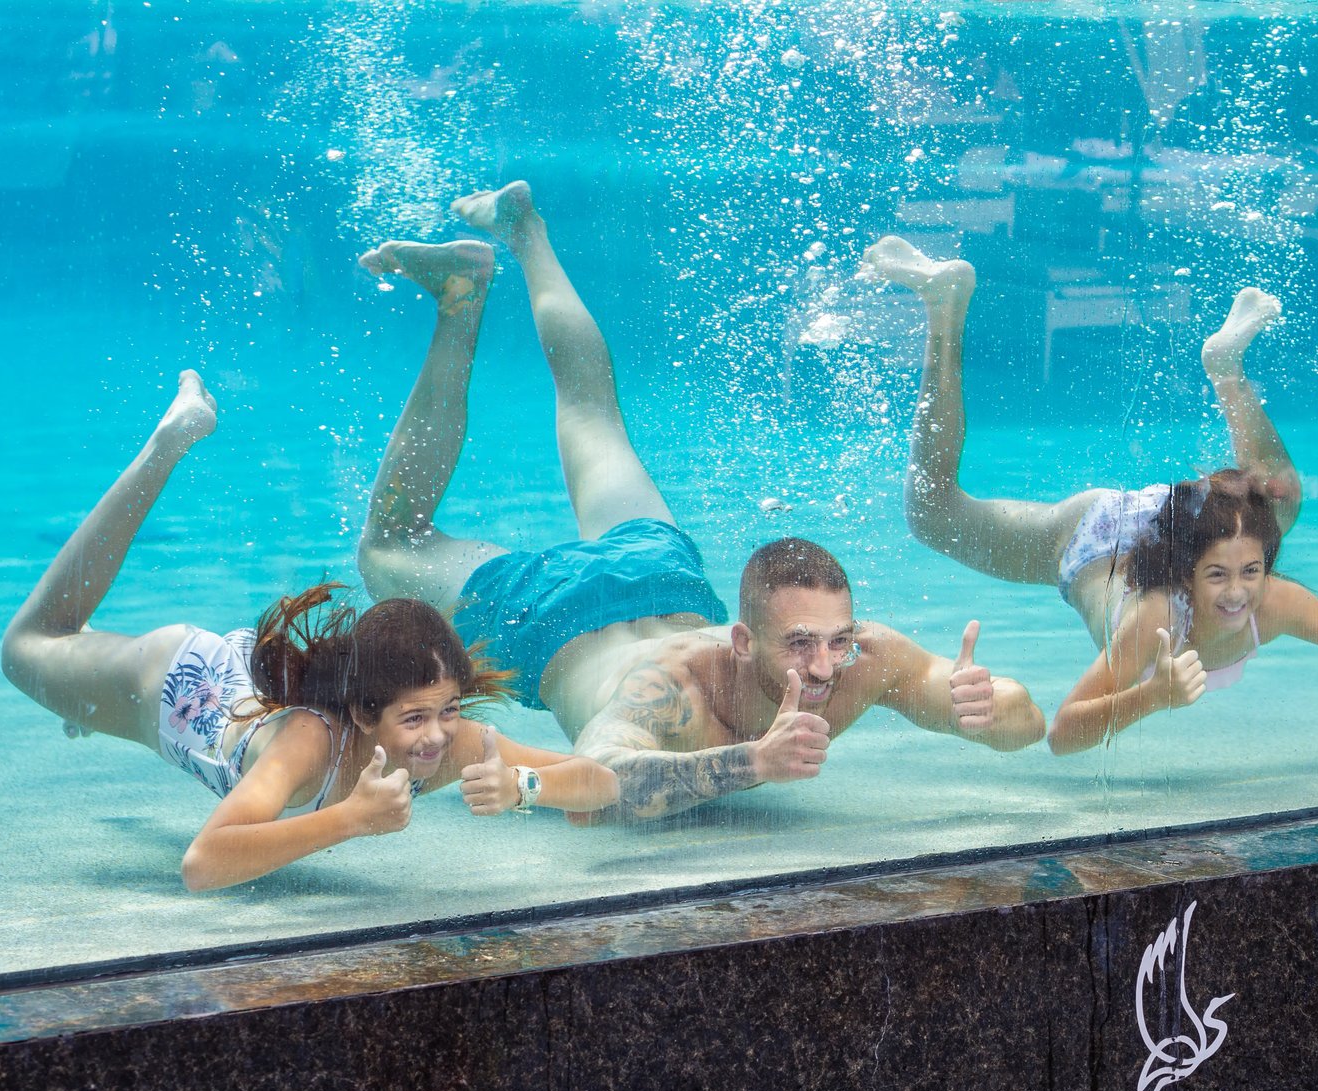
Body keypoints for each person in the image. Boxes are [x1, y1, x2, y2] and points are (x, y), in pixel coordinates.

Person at [356, 181, 1046, 822]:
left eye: (837, 640)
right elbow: (596, 784)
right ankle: (460, 300)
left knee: (595, 414)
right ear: (741, 641)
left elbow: (1024, 724)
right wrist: (753, 762)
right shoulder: (666, 689)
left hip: (657, 568)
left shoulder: (862, 661)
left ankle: (524, 230)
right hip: (551, 615)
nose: (825, 667)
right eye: (799, 644)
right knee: (390, 543)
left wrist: (987, 705)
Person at [0, 371, 619, 891]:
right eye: (414, 718)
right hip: (177, 685)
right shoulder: (309, 741)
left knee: (67, 661)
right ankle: (166, 445)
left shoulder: (450, 740)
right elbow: (202, 864)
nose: (436, 736)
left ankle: (84, 682)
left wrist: (524, 786)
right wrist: (350, 819)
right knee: (29, 645)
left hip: (246, 689)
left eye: (448, 709)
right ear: (362, 711)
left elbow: (600, 781)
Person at [863, 236, 1318, 756]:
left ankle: (1227, 370)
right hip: (1092, 537)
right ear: (1186, 574)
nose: (1238, 595)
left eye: (1250, 574)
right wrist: (1153, 697)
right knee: (931, 514)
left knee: (1277, 502)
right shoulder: (1154, 621)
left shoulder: (1273, 599)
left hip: (1191, 521)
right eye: (1217, 577)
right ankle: (944, 310)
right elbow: (1063, 734)